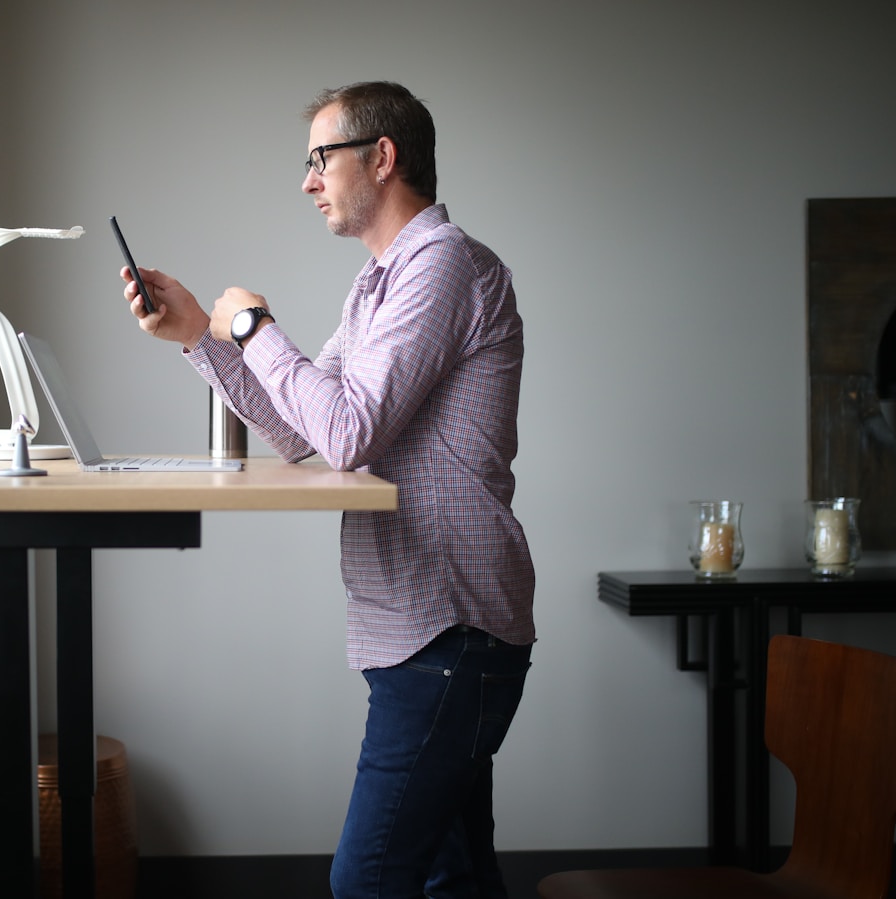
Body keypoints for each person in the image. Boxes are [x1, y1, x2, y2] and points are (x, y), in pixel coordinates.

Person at [117, 81, 536, 899]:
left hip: (450, 629)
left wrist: (255, 328)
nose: (308, 181)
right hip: (419, 627)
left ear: (381, 158)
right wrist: (202, 333)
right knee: (451, 876)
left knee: (368, 879)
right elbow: (306, 432)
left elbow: (347, 431)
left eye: (320, 159)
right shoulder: (377, 285)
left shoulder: (442, 266)